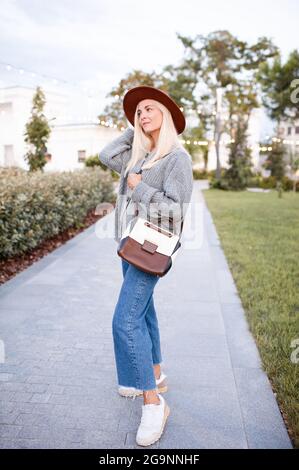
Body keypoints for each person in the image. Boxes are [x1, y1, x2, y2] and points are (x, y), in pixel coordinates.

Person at [98, 85, 193, 447]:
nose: (143, 115)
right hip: (129, 245)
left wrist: (139, 189)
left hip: (152, 247)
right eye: (139, 112)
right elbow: (107, 154)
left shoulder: (176, 159)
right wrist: (135, 128)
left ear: (166, 116)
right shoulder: (138, 157)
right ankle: (152, 371)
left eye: (151, 109)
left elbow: (175, 211)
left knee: (125, 320)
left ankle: (153, 402)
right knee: (144, 311)